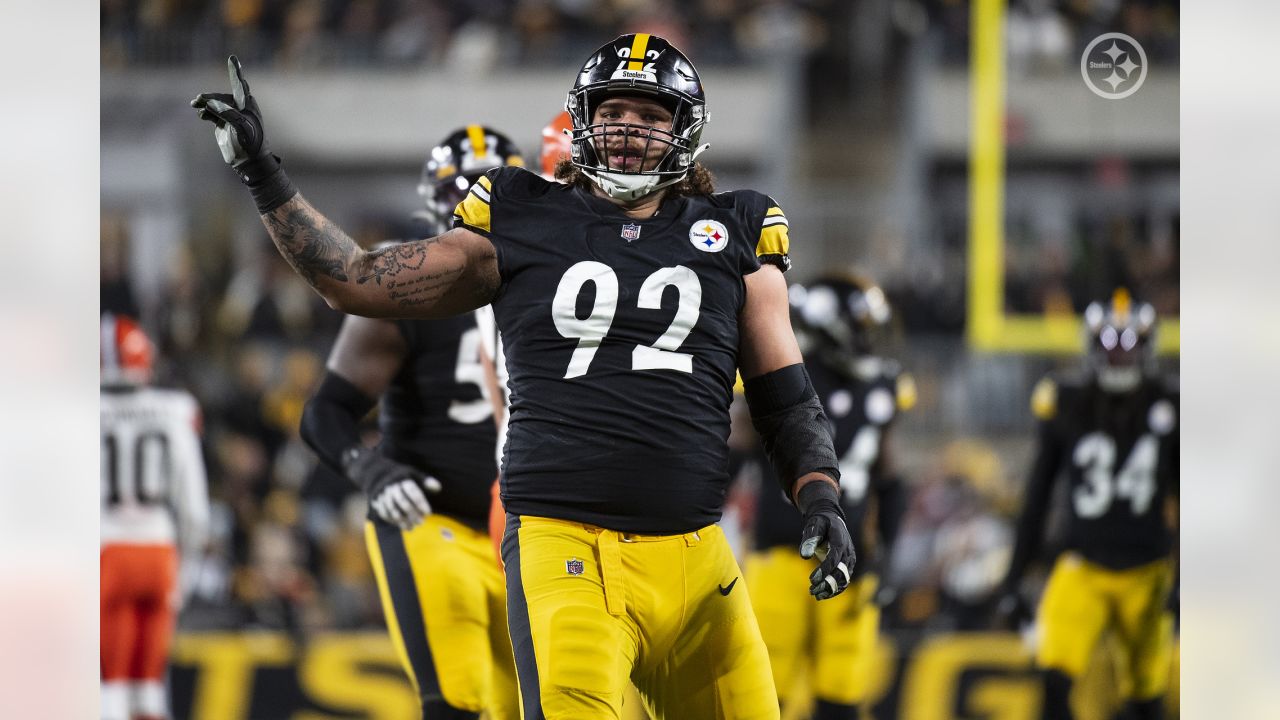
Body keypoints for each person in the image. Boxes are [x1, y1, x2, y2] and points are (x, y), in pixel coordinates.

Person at [192, 33, 854, 720]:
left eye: (652, 116)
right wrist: (264, 177)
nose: (629, 129)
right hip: (567, 545)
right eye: (614, 110)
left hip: (698, 556)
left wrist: (821, 496)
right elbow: (358, 280)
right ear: (582, 119)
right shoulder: (522, 212)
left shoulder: (736, 227)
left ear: (685, 129)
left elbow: (785, 399)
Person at [299, 125, 524, 719]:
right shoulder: (411, 287)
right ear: (436, 205)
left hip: (526, 534)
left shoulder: (548, 284)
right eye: (461, 192)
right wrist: (372, 469)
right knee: (457, 703)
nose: (475, 206)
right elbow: (326, 411)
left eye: (491, 191)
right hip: (433, 520)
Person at [995, 289, 1178, 720]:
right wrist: (1015, 577)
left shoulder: (1168, 403)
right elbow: (1038, 495)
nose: (1118, 357)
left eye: (1128, 345)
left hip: (1148, 570)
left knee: (1146, 699)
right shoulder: (1067, 401)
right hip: (1083, 566)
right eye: (1109, 346)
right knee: (1053, 680)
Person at [745, 274, 913, 719]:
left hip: (850, 560)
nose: (870, 339)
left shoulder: (884, 387)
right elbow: (732, 453)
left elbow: (890, 481)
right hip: (779, 553)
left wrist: (889, 558)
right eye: (861, 326)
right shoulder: (784, 373)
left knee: (841, 699)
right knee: (761, 696)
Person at [100, 314, 210, 720]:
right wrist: (187, 567)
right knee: (149, 683)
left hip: (108, 549)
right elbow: (195, 507)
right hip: (159, 552)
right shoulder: (175, 409)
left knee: (111, 684)